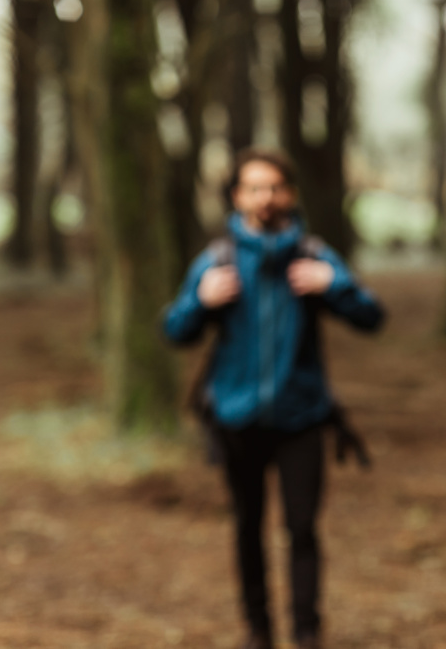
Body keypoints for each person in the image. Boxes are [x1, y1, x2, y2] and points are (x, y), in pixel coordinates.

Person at [163, 148, 384, 649]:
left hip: (302, 417)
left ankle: (307, 634)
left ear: (290, 194)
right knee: (246, 529)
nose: (266, 197)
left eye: (275, 187)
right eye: (254, 188)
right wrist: (200, 301)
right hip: (234, 419)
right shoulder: (217, 261)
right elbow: (175, 330)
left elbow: (372, 317)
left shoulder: (312, 255)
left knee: (302, 529)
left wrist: (336, 284)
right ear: (238, 196)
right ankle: (257, 632)